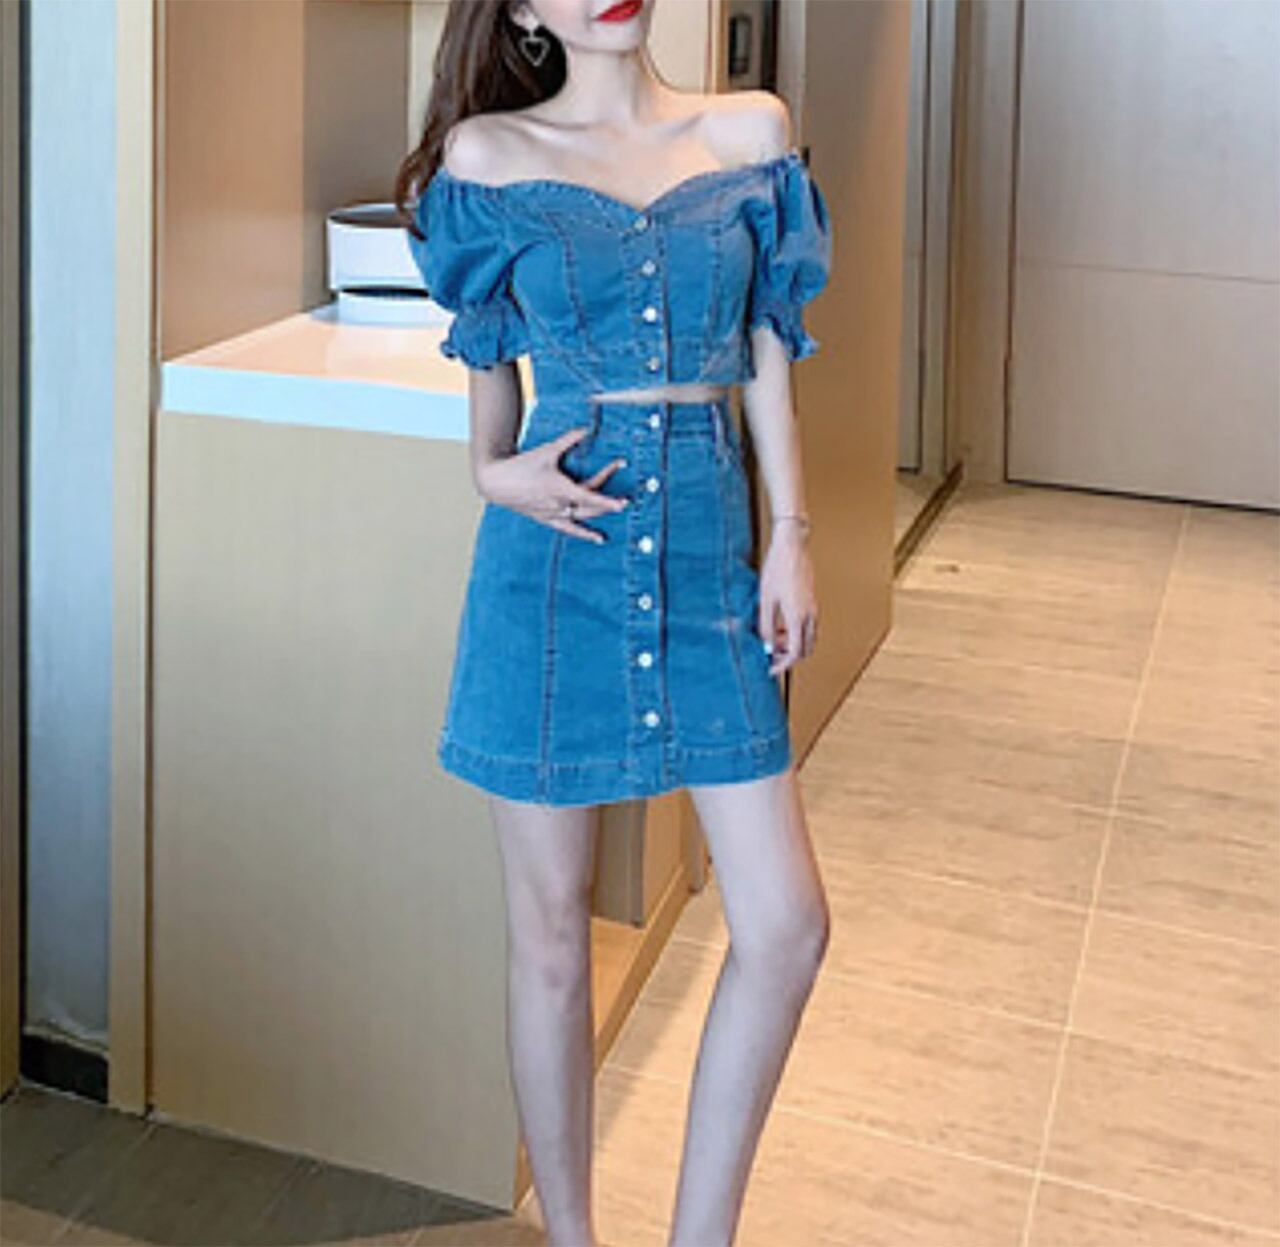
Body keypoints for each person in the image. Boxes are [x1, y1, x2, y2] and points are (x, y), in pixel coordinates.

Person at [396, 2, 833, 1243]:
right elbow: (489, 413)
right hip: (552, 569)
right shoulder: (487, 158)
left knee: (786, 924)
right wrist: (497, 476)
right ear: (522, 11)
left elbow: (765, 343)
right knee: (548, 937)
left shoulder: (747, 135)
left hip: (707, 564)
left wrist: (790, 533)